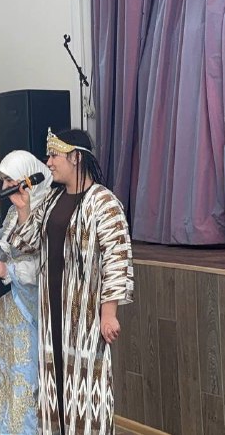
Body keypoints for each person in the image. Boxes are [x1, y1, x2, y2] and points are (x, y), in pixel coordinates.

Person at [8, 129, 134, 434]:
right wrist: (23, 208)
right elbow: (27, 244)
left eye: (54, 155)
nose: (48, 162)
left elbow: (117, 259)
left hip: (85, 316)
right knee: (55, 387)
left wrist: (109, 313)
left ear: (76, 157)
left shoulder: (104, 202)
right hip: (52, 311)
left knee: (86, 386)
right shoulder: (52, 200)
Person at [0, 151, 52, 434]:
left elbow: (45, 263)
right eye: (3, 181)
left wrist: (11, 270)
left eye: (10, 180)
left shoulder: (47, 211)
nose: (5, 187)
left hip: (29, 310)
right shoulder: (11, 214)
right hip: (5, 308)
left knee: (25, 377)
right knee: (0, 371)